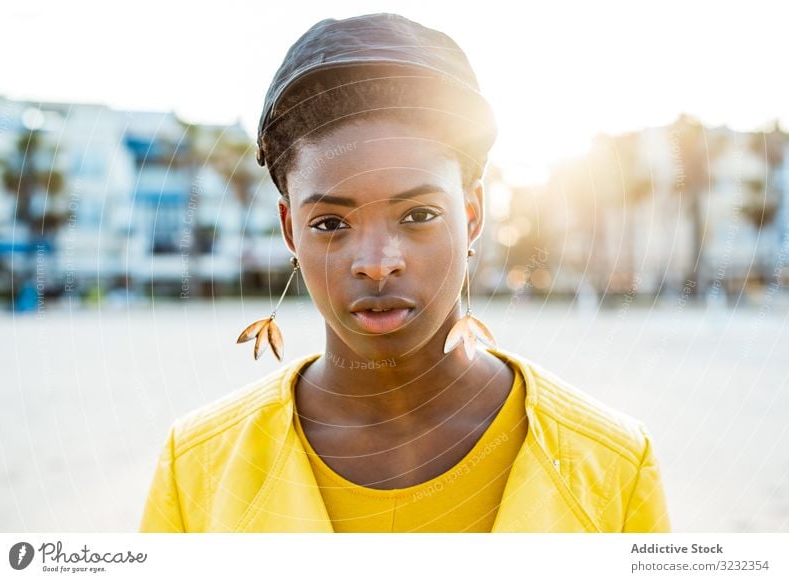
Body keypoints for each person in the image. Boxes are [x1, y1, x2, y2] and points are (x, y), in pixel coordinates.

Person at [139, 13, 670, 533]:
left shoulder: (614, 464)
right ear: (289, 230)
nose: (376, 262)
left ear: (472, 214)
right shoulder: (197, 467)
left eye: (418, 215)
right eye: (329, 222)